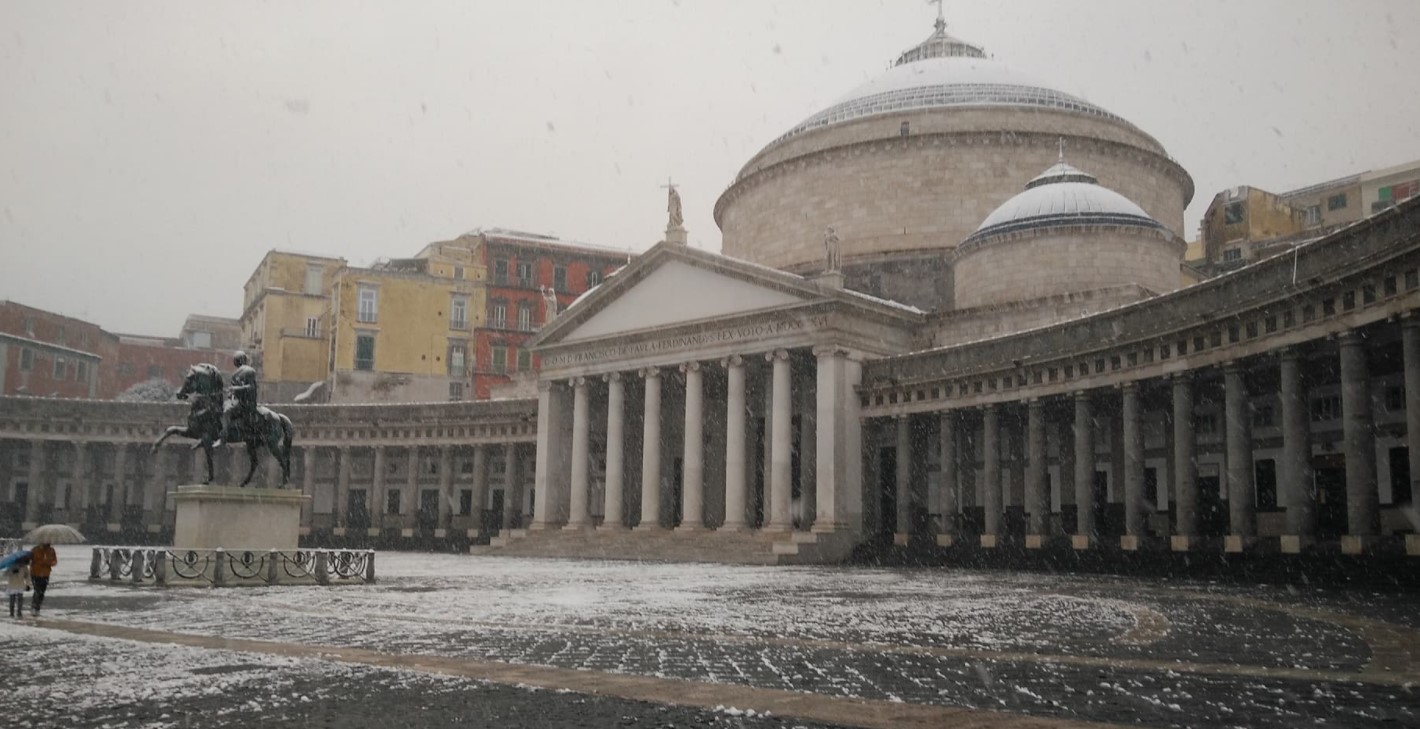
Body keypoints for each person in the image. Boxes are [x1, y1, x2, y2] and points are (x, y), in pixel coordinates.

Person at [214, 351, 258, 448]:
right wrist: (229, 393)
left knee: (226, 412)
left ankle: (223, 438)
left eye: (236, 360)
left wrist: (236, 389)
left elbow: (252, 387)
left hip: (245, 402)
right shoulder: (235, 374)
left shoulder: (249, 371)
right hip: (236, 400)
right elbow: (233, 391)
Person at [28, 540, 56, 617]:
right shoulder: (36, 549)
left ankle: (37, 607)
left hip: (45, 574)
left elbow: (54, 561)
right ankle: (34, 607)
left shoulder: (51, 550)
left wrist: (49, 563)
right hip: (35, 573)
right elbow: (30, 559)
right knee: (37, 590)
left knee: (42, 592)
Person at [5, 554, 31, 620]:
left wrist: (28, 584)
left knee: (20, 599)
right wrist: (12, 572)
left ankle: (19, 612)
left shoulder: (24, 567)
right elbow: (5, 574)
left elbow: (27, 576)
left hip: (20, 585)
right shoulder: (10, 566)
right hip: (12, 585)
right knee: (12, 600)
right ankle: (11, 613)